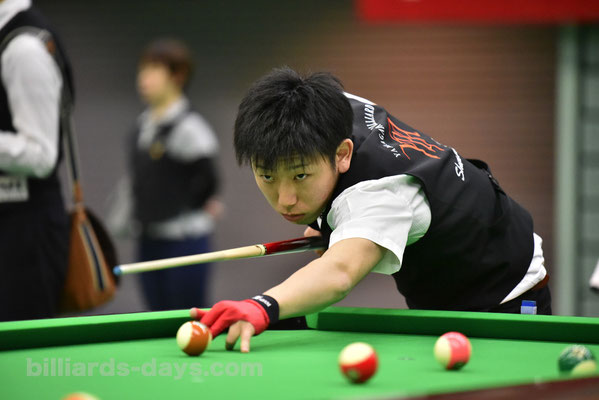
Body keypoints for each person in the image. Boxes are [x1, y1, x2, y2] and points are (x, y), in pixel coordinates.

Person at [191, 67, 552, 352]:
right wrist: (331, 221)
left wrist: (262, 306)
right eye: (267, 176)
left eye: (300, 176)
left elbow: (339, 272)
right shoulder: (327, 107)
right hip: (443, 286)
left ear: (342, 154)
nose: (285, 198)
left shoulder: (380, 194)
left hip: (504, 291)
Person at [108, 38, 220, 311]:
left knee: (189, 317)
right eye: (143, 70)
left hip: (184, 243)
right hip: (148, 239)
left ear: (178, 76)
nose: (144, 78)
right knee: (156, 317)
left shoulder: (190, 127)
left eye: (154, 70)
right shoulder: (142, 125)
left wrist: (188, 205)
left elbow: (209, 179)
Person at [0, 0, 73, 321]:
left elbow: (42, 155)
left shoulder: (23, 48)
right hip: (15, 227)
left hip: (24, 234)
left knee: (19, 346)